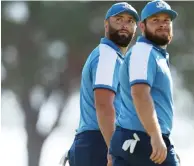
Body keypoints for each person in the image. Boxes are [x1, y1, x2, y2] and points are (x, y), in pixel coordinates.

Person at [63, 2, 139, 166]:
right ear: (106, 24)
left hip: (98, 142)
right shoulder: (107, 56)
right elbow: (104, 104)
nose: (125, 25)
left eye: (130, 21)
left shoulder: (114, 57)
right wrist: (114, 150)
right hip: (99, 143)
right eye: (118, 19)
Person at [109, 0, 180, 166]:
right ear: (142, 26)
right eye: (155, 20)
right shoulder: (143, 51)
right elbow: (140, 94)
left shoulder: (156, 55)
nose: (162, 25)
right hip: (141, 139)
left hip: (136, 139)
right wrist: (155, 136)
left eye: (166, 20)